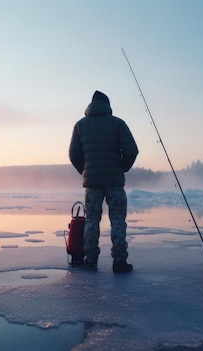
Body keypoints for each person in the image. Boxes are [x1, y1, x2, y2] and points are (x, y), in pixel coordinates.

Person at [69, 90, 139, 273]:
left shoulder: (80, 125)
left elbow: (73, 154)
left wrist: (85, 171)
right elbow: (131, 151)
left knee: (92, 220)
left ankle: (90, 259)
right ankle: (119, 261)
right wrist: (121, 167)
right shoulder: (118, 123)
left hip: (92, 182)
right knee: (117, 219)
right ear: (108, 105)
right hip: (114, 181)